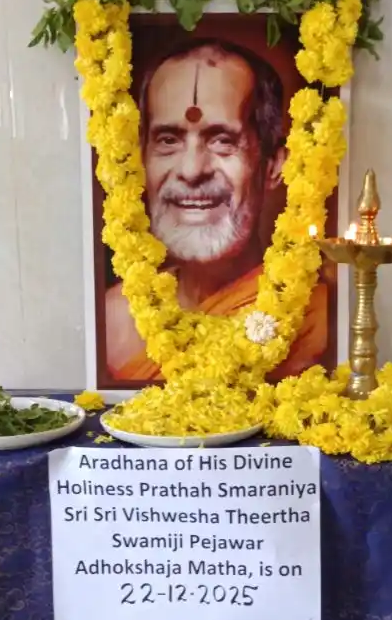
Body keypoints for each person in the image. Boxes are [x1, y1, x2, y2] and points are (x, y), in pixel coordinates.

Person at [103, 38, 328, 381]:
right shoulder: (113, 316)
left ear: (273, 166)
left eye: (223, 141)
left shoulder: (318, 316)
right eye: (168, 140)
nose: (192, 171)